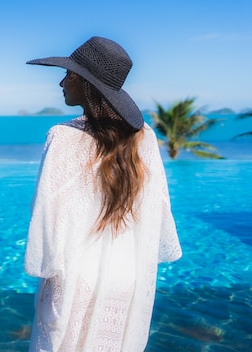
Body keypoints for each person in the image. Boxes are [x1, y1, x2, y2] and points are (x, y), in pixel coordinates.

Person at [23, 36, 182, 352]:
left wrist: (45, 276)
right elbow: (158, 209)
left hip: (74, 278)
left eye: (68, 75)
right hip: (127, 276)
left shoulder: (62, 137)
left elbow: (46, 218)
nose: (61, 82)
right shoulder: (143, 138)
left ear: (85, 83)